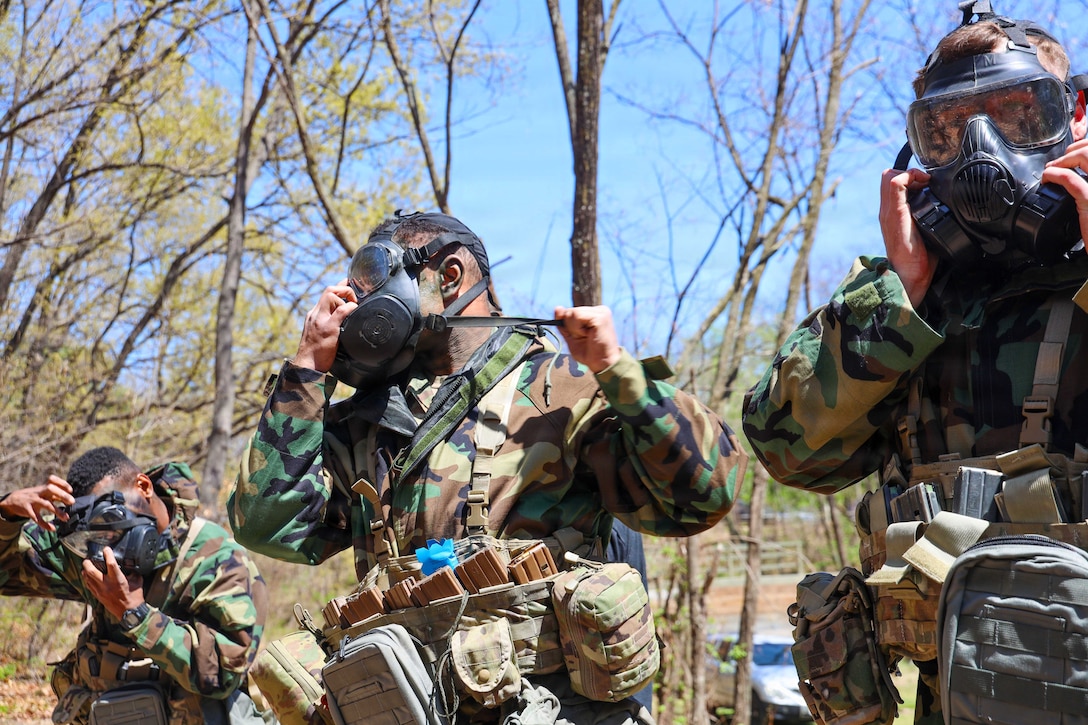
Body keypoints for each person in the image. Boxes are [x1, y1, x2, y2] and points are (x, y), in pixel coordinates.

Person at [228, 210, 747, 724]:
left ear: (450, 276)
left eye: (379, 279)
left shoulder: (561, 387)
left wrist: (617, 369)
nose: (362, 305)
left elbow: (706, 492)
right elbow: (266, 526)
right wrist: (305, 372)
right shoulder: (367, 423)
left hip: (547, 708)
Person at [743, 4, 1088, 724]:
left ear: (1074, 113)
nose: (982, 149)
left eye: (1017, 114)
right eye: (949, 128)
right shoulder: (909, 292)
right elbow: (786, 448)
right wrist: (903, 296)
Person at [0, 446, 270, 725]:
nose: (105, 549)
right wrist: (7, 514)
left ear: (143, 486)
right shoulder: (90, 550)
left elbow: (223, 672)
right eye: (93, 537)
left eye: (112, 524)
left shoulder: (216, 558)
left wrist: (135, 613)